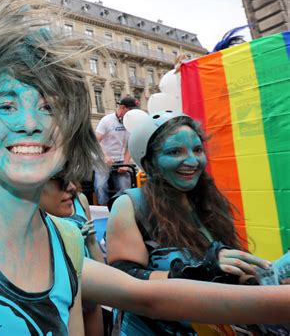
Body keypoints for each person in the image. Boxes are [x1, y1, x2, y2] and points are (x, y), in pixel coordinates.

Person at [0, 0, 290, 334]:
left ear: (69, 130)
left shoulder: (67, 242)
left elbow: (151, 297)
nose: (28, 122)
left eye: (47, 105)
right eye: (6, 104)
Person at [106, 110, 290, 335]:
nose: (192, 161)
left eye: (197, 150)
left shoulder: (209, 202)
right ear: (150, 161)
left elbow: (226, 270)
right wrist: (195, 273)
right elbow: (123, 281)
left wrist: (261, 282)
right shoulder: (131, 204)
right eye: (175, 151)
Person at [40, 175, 104, 335]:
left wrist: (88, 242)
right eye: (59, 180)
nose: (70, 187)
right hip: (60, 291)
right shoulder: (38, 212)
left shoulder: (80, 200)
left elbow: (93, 243)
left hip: (90, 286)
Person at [94, 95, 139, 205]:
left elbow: (130, 145)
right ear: (122, 108)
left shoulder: (132, 122)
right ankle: (103, 209)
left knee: (125, 188)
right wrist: (104, 156)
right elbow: (95, 141)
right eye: (131, 110)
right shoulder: (106, 120)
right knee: (100, 186)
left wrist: (126, 162)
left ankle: (118, 207)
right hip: (104, 161)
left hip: (121, 161)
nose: (133, 114)